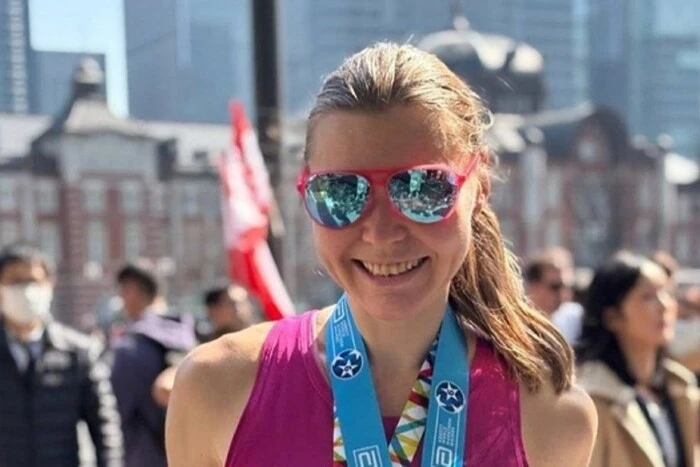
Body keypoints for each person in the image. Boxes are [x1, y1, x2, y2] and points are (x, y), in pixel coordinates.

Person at [165, 42, 596, 466]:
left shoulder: (551, 418)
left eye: (423, 189)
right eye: (340, 192)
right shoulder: (216, 389)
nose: (381, 233)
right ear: (306, 191)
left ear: (479, 185)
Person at [0, 243, 123, 467]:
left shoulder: (78, 352)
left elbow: (105, 427)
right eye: (15, 281)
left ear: (49, 285)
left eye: (32, 281)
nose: (25, 291)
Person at [577, 252, 698, 467]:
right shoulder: (593, 399)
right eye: (648, 296)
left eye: (667, 293)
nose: (664, 305)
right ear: (612, 317)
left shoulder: (680, 388)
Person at [110, 262, 196, 467]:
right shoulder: (189, 336)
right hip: (190, 451)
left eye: (124, 291)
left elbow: (116, 408)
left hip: (144, 453)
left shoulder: (130, 347)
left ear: (134, 291)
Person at [524, 247, 584, 343]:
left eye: (568, 287)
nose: (563, 294)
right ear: (533, 286)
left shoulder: (576, 319)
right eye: (555, 287)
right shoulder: (516, 326)